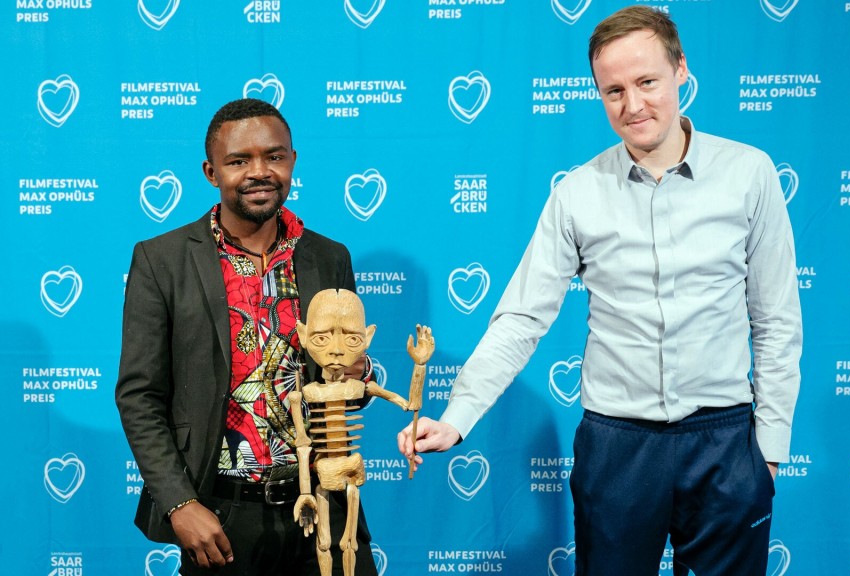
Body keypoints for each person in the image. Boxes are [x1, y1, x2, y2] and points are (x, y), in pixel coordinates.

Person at [398, 6, 802, 576]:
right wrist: (458, 415)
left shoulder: (750, 173)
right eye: (613, 91)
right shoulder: (578, 193)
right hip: (617, 449)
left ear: (681, 69)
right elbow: (521, 319)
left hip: (725, 442)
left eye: (646, 82)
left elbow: (777, 319)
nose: (632, 105)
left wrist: (769, 453)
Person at [116, 98, 377, 576]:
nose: (260, 172)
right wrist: (179, 505)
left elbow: (343, 382)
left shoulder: (328, 256)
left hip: (327, 505)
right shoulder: (162, 260)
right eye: (239, 161)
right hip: (220, 515)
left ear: (292, 161)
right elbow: (139, 397)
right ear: (211, 172)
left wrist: (362, 373)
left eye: (274, 156)